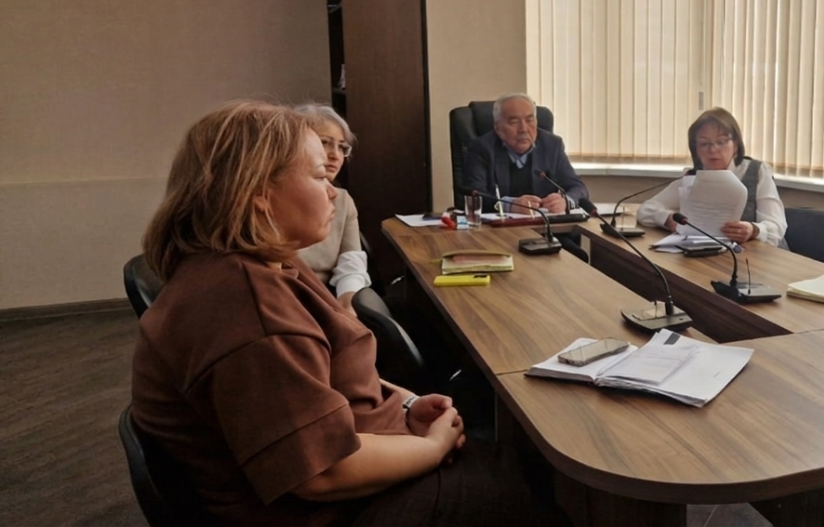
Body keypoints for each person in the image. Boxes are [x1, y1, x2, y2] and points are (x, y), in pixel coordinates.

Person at [131, 101, 561, 526]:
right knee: (539, 485)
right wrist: (431, 448)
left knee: (525, 462)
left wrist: (405, 404)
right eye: (320, 175)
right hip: (340, 509)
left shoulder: (267, 262)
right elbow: (324, 473)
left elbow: (319, 377)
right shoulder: (247, 309)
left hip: (367, 455)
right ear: (258, 194)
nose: (333, 190)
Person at [636, 107, 787, 246]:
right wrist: (668, 219)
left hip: (762, 257)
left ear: (735, 145)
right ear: (696, 150)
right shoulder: (693, 177)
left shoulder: (757, 172)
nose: (713, 150)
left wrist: (754, 230)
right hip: (711, 256)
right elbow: (646, 210)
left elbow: (777, 227)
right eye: (704, 144)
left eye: (721, 142)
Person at [461, 93, 588, 216]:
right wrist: (511, 205)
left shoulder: (552, 145)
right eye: (514, 122)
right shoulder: (481, 148)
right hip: (500, 227)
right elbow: (474, 194)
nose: (524, 129)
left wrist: (565, 201)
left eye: (529, 120)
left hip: (545, 225)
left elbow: (578, 188)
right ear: (498, 127)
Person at [294, 103, 371, 297]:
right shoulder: (279, 197)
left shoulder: (342, 199)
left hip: (328, 296)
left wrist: (348, 301)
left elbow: (351, 263)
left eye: (342, 147)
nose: (335, 155)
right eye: (324, 142)